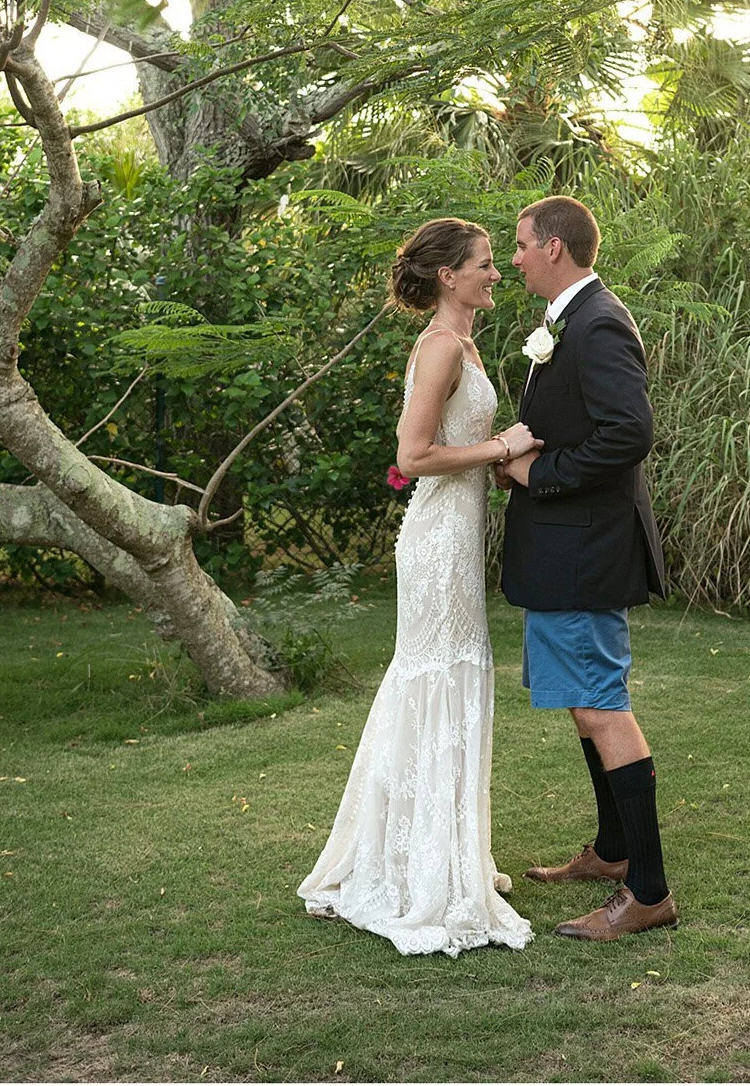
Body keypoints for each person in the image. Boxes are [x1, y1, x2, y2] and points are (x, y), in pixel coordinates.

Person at [299, 218, 537, 956]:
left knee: (452, 681)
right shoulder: (439, 347)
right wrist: (502, 446)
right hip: (435, 543)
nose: (497, 274)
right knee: (435, 680)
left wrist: (495, 461)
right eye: (486, 264)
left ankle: (444, 851)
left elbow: (451, 449)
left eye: (499, 263)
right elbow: (413, 452)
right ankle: (413, 868)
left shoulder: (466, 344)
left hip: (457, 537)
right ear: (448, 276)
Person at [498, 195, 676, 940]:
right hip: (567, 548)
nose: (513, 259)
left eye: (520, 245)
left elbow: (630, 433)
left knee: (602, 704)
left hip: (585, 546)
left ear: (554, 249)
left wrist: (542, 476)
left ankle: (648, 892)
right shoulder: (569, 321)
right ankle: (611, 851)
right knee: (583, 701)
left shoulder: (598, 322)